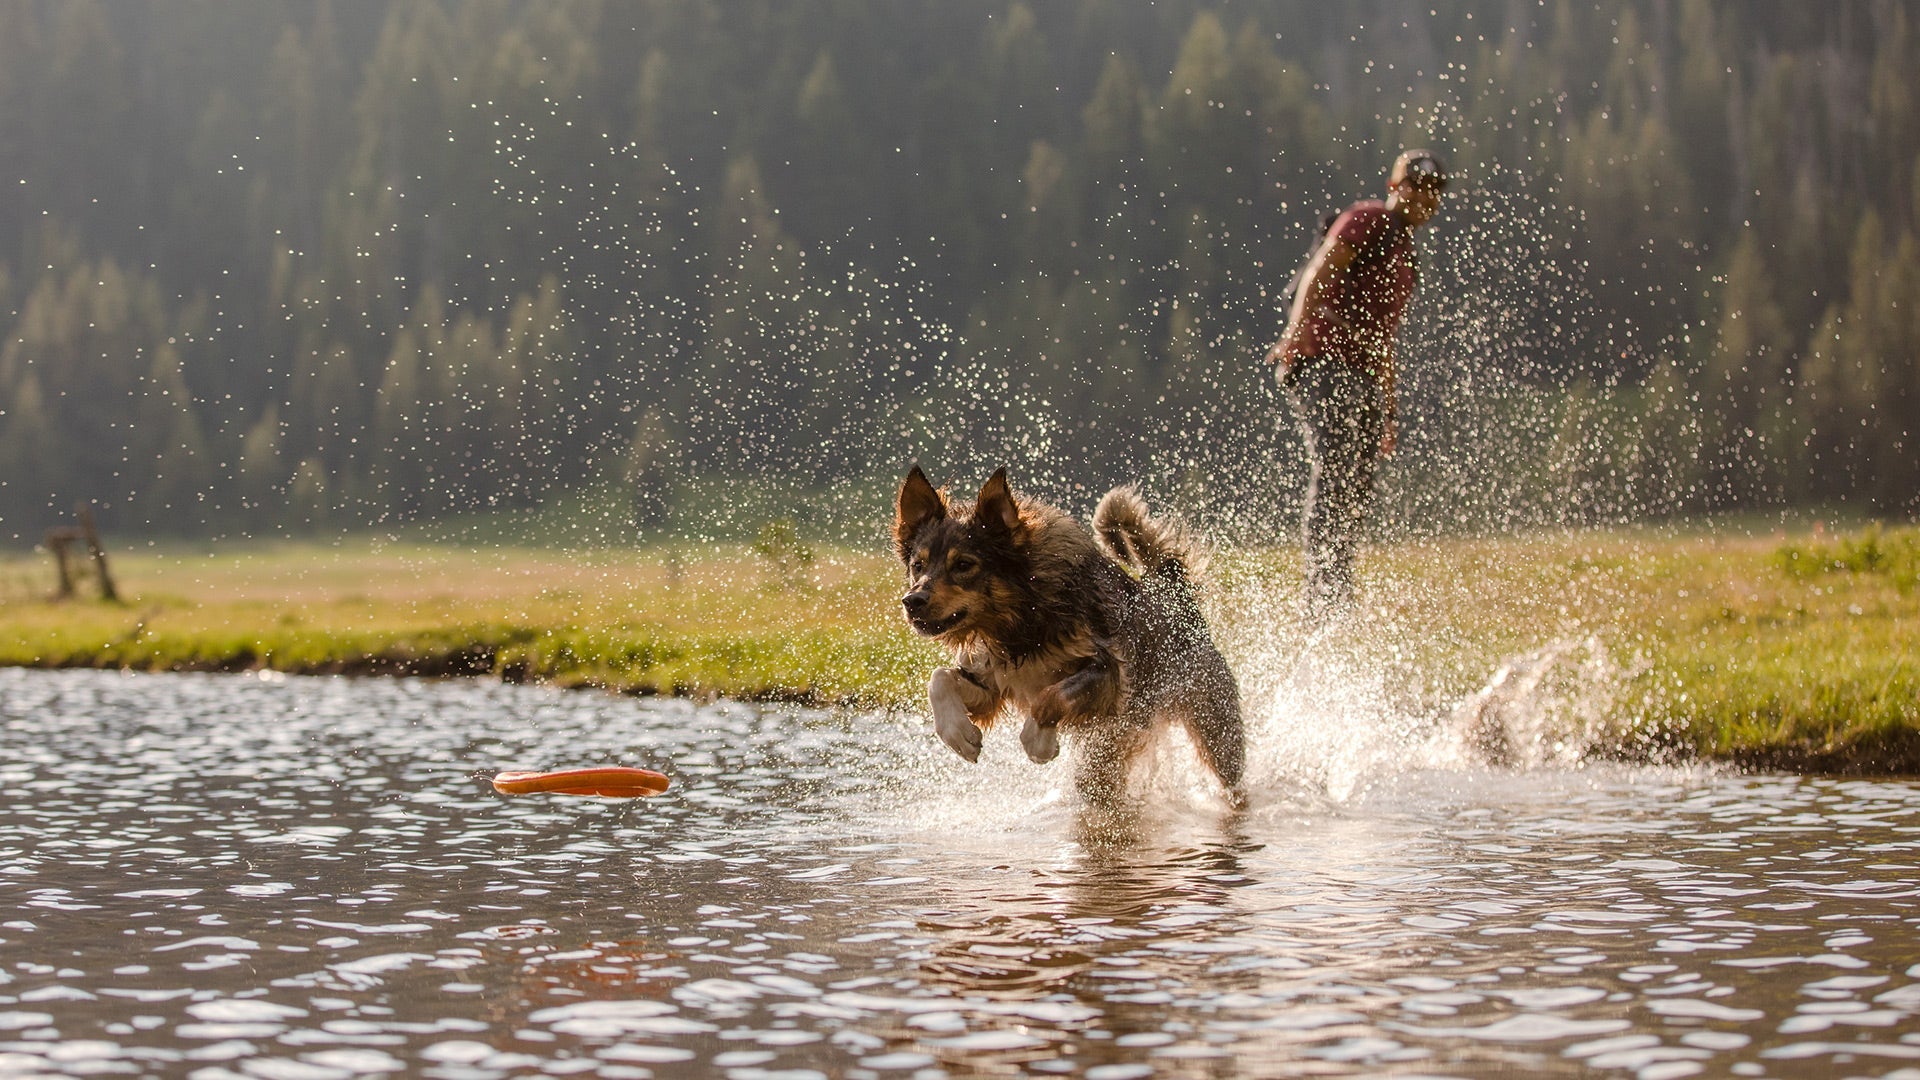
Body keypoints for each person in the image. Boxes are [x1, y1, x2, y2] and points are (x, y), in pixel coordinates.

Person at [1266, 149, 1447, 624]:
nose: (1424, 199)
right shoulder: (1367, 219)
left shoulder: (1406, 253)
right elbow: (1320, 272)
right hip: (1324, 359)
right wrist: (1295, 334)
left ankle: (1338, 588)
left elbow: (1385, 337)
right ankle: (1321, 595)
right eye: (1416, 187)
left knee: (1357, 482)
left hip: (1363, 371)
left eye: (1433, 193)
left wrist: (1388, 411)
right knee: (1335, 465)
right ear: (1395, 187)